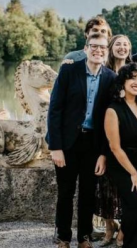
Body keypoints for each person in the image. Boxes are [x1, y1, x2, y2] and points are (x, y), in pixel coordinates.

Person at [47, 33, 116, 248]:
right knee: (65, 192)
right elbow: (55, 109)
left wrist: (104, 153)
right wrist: (55, 147)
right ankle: (64, 237)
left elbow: (109, 119)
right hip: (67, 143)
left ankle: (84, 237)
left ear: (107, 51)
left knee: (88, 193)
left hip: (92, 145)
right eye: (94, 46)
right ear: (85, 49)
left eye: (102, 47)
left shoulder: (111, 78)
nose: (98, 50)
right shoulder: (69, 70)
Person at [104, 62, 137, 248]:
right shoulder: (113, 110)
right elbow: (115, 147)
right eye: (132, 78)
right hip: (124, 164)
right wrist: (133, 173)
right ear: (123, 82)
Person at [96, 35, 132, 247]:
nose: (122, 47)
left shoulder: (135, 71)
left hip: (129, 135)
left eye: (125, 45)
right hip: (107, 131)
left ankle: (124, 229)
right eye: (118, 44)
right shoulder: (104, 73)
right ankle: (109, 228)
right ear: (111, 47)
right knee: (106, 186)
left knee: (126, 185)